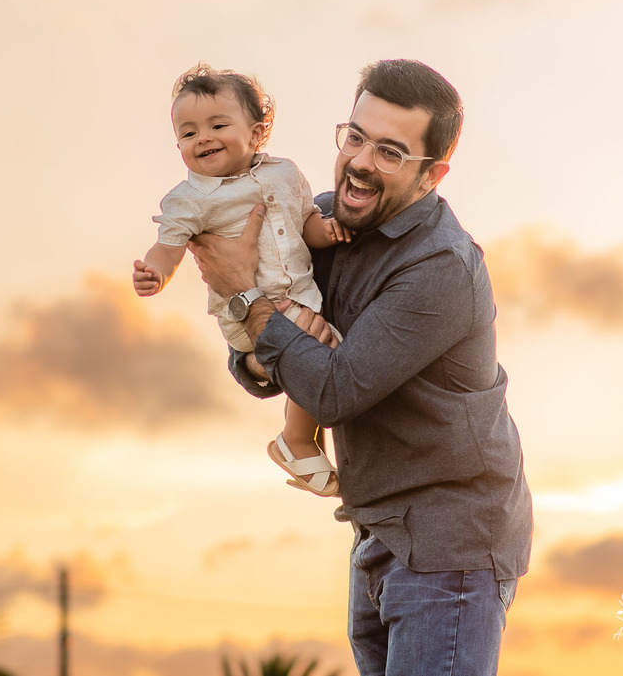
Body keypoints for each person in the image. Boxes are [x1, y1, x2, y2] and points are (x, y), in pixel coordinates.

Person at [187, 59, 533, 676]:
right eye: (356, 137)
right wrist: (260, 330)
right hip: (376, 530)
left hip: (449, 544)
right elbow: (257, 367)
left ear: (433, 174)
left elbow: (334, 389)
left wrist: (245, 293)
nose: (362, 162)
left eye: (392, 151)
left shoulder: (441, 267)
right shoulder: (319, 222)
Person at [133, 64, 353, 496]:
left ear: (256, 134)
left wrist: (325, 232)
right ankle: (295, 440)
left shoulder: (286, 174)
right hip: (247, 308)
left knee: (324, 355)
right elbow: (170, 245)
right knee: (319, 350)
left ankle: (302, 437)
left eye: (218, 125)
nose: (203, 138)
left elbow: (304, 219)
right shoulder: (189, 200)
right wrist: (155, 270)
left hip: (298, 296)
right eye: (189, 132)